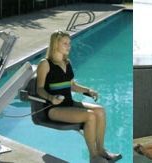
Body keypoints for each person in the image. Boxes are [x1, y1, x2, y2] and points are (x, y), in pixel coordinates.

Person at [36, 30, 121, 162]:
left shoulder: (67, 63)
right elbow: (39, 89)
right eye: (65, 43)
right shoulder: (45, 64)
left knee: (100, 111)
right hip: (53, 109)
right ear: (55, 44)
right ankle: (93, 156)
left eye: (69, 43)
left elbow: (72, 85)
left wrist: (88, 90)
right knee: (90, 116)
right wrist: (51, 98)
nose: (69, 46)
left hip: (69, 103)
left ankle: (101, 150)